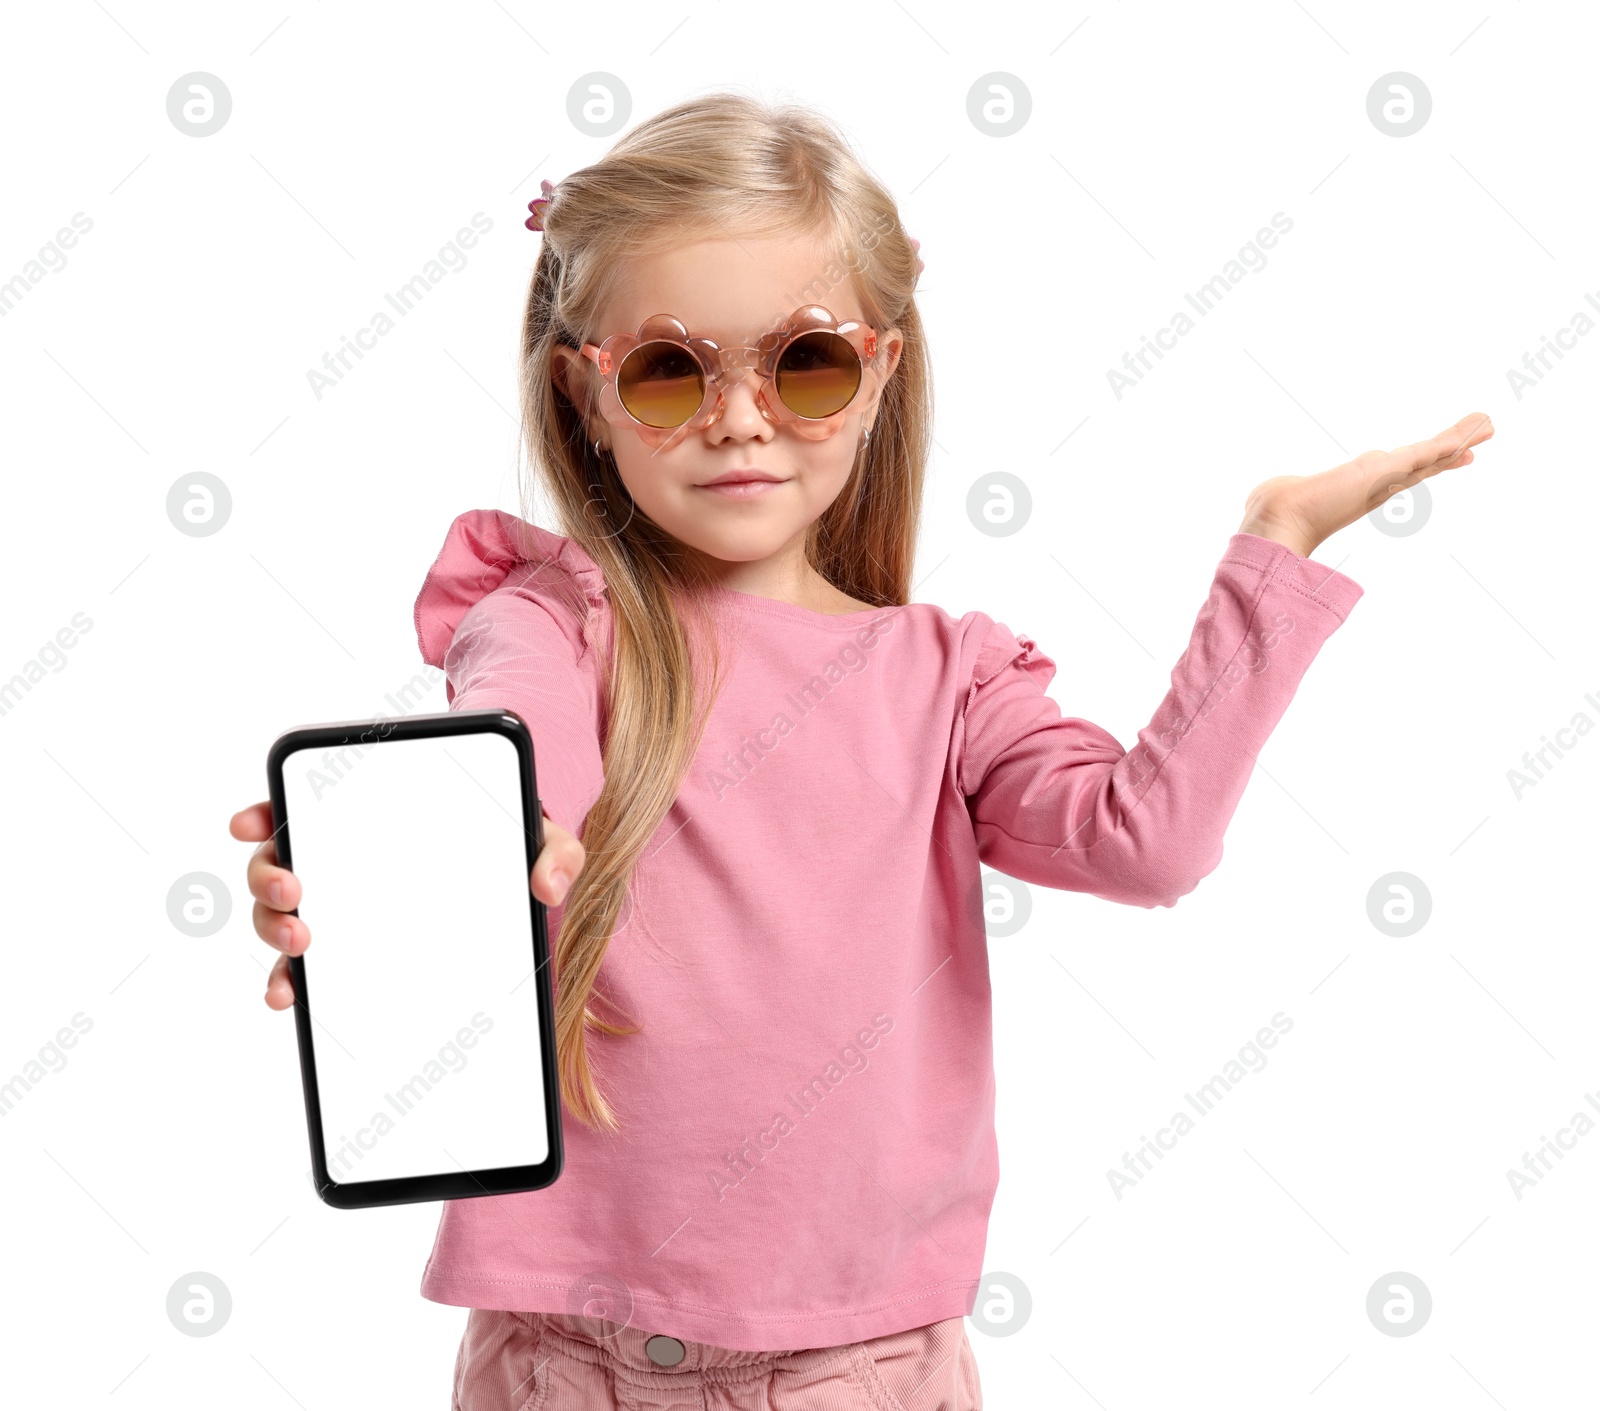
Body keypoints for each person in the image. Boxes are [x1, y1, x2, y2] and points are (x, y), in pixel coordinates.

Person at [229, 91, 1493, 1409]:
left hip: (868, 1367)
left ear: (880, 375)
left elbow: (1149, 843)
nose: (738, 417)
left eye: (805, 363)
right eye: (670, 371)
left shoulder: (947, 679)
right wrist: (464, 851)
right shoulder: (553, 621)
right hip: (580, 1363)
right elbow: (524, 750)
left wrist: (1273, 555)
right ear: (585, 392)